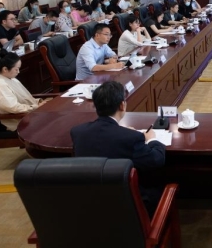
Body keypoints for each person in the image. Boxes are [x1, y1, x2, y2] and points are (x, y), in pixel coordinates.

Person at [70, 81, 165, 217]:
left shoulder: (77, 132)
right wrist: (151, 139)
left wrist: (121, 130)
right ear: (122, 105)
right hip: (128, 209)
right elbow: (156, 159)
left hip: (91, 205)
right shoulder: (132, 138)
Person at [0, 50, 47, 131]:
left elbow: (25, 97)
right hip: (18, 121)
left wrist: (38, 102)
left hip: (29, 113)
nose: (18, 72)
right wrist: (36, 107)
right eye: (16, 69)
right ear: (5, 69)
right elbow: (14, 108)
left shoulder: (11, 79)